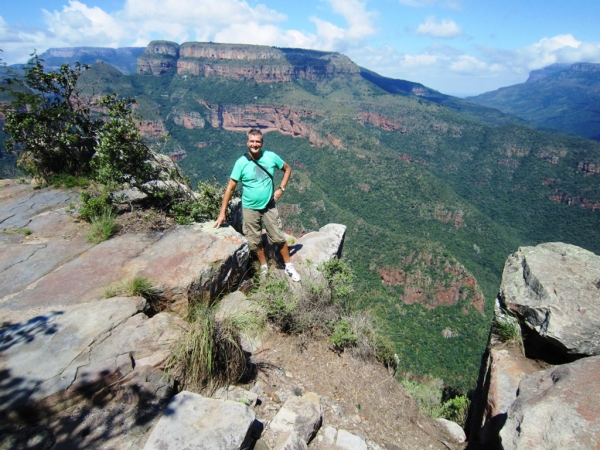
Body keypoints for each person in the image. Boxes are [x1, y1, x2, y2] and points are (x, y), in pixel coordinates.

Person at [214, 129, 301, 282]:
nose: (255, 144)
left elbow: (288, 169)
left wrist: (282, 189)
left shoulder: (271, 157)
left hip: (268, 206)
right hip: (249, 208)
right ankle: (264, 267)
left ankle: (288, 265)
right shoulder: (241, 163)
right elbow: (230, 188)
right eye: (252, 141)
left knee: (278, 237)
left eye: (258, 142)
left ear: (262, 143)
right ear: (247, 143)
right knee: (255, 241)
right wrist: (222, 213)